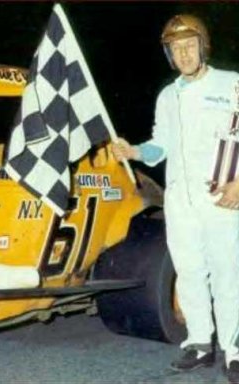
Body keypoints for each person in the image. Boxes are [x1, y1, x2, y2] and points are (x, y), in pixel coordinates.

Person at [111, 14, 239, 384]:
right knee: (189, 273)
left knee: (227, 274)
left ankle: (233, 351)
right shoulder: (167, 95)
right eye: (175, 49)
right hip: (180, 201)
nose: (183, 54)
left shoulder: (231, 85)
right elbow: (160, 145)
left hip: (221, 198)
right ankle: (199, 344)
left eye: (189, 46)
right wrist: (133, 151)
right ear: (169, 55)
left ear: (203, 46)